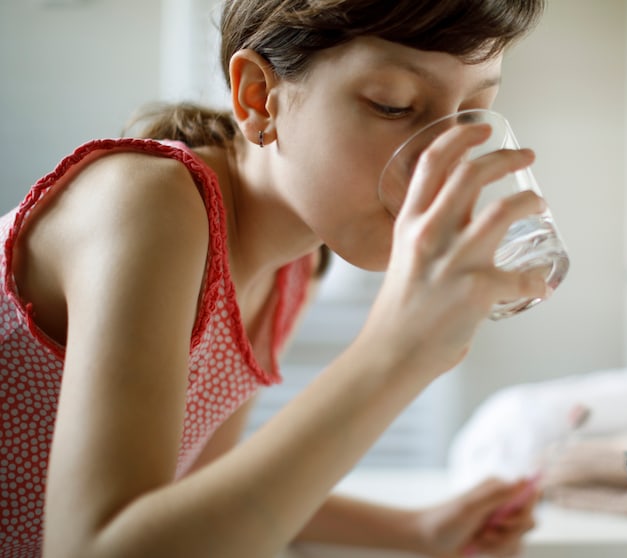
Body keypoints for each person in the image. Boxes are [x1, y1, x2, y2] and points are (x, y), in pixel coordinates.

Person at [0, 1, 551, 556]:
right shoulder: (150, 204)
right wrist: (396, 351)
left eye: (470, 115)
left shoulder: (295, 266)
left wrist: (417, 530)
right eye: (394, 106)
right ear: (258, 98)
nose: (443, 163)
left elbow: (191, 493)